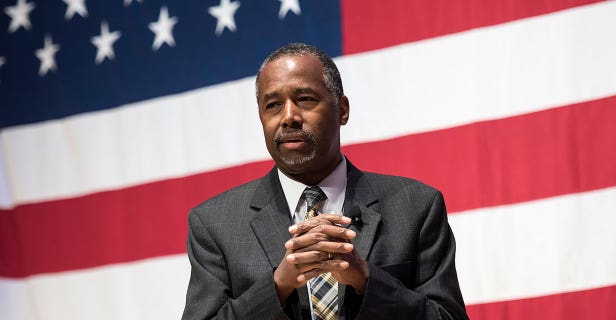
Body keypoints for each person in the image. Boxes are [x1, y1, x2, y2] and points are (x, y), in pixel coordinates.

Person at [182, 43, 468, 320]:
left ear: (342, 109)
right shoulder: (214, 223)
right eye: (273, 105)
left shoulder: (415, 206)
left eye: (305, 99)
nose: (289, 116)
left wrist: (367, 280)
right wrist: (278, 285)